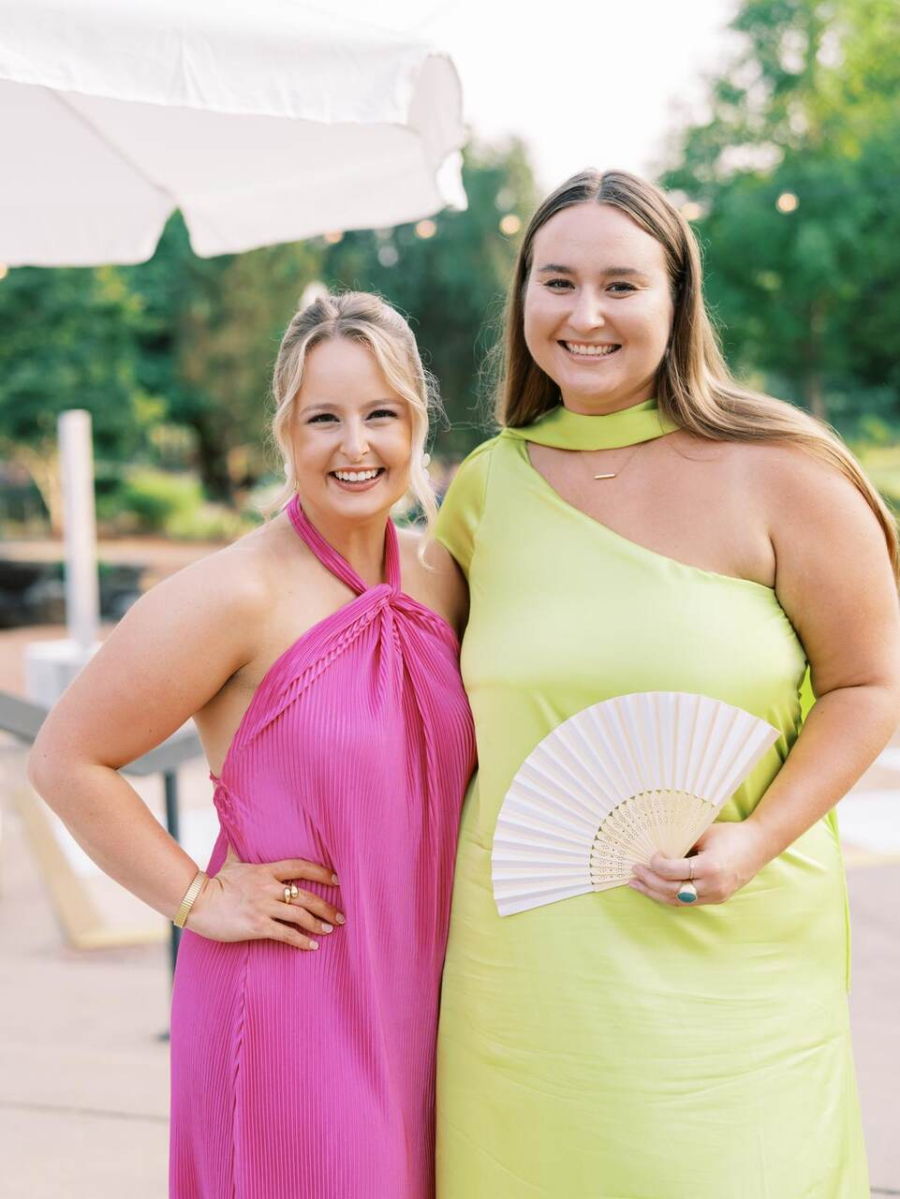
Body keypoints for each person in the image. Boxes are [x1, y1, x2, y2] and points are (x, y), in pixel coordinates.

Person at [433, 169, 900, 1198]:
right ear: (521, 302)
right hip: (528, 969)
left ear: (678, 302)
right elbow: (404, 695)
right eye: (556, 281)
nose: (584, 314)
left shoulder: (784, 470)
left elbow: (869, 684)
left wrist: (757, 837)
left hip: (734, 939)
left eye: (621, 285)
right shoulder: (483, 490)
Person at [29, 292, 475, 1199]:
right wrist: (194, 896)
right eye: (324, 419)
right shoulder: (236, 592)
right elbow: (65, 757)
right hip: (290, 1001)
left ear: (416, 424)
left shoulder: (447, 577)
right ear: (285, 432)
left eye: (380, 414)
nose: (356, 446)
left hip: (427, 1001)